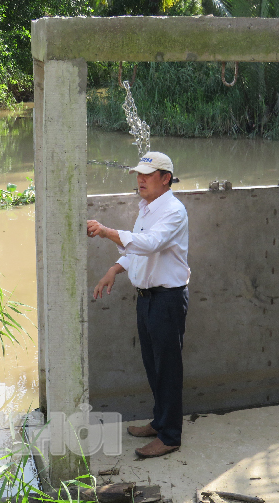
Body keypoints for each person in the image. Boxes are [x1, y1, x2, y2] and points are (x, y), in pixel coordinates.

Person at [86, 152, 190, 459]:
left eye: (147, 174)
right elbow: (136, 250)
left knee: (168, 368)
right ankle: (160, 422)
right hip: (147, 299)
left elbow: (149, 244)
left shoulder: (173, 211)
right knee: (153, 365)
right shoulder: (146, 208)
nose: (140, 179)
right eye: (138, 174)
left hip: (167, 299)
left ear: (166, 178)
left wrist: (105, 231)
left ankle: (170, 436)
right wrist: (114, 269)